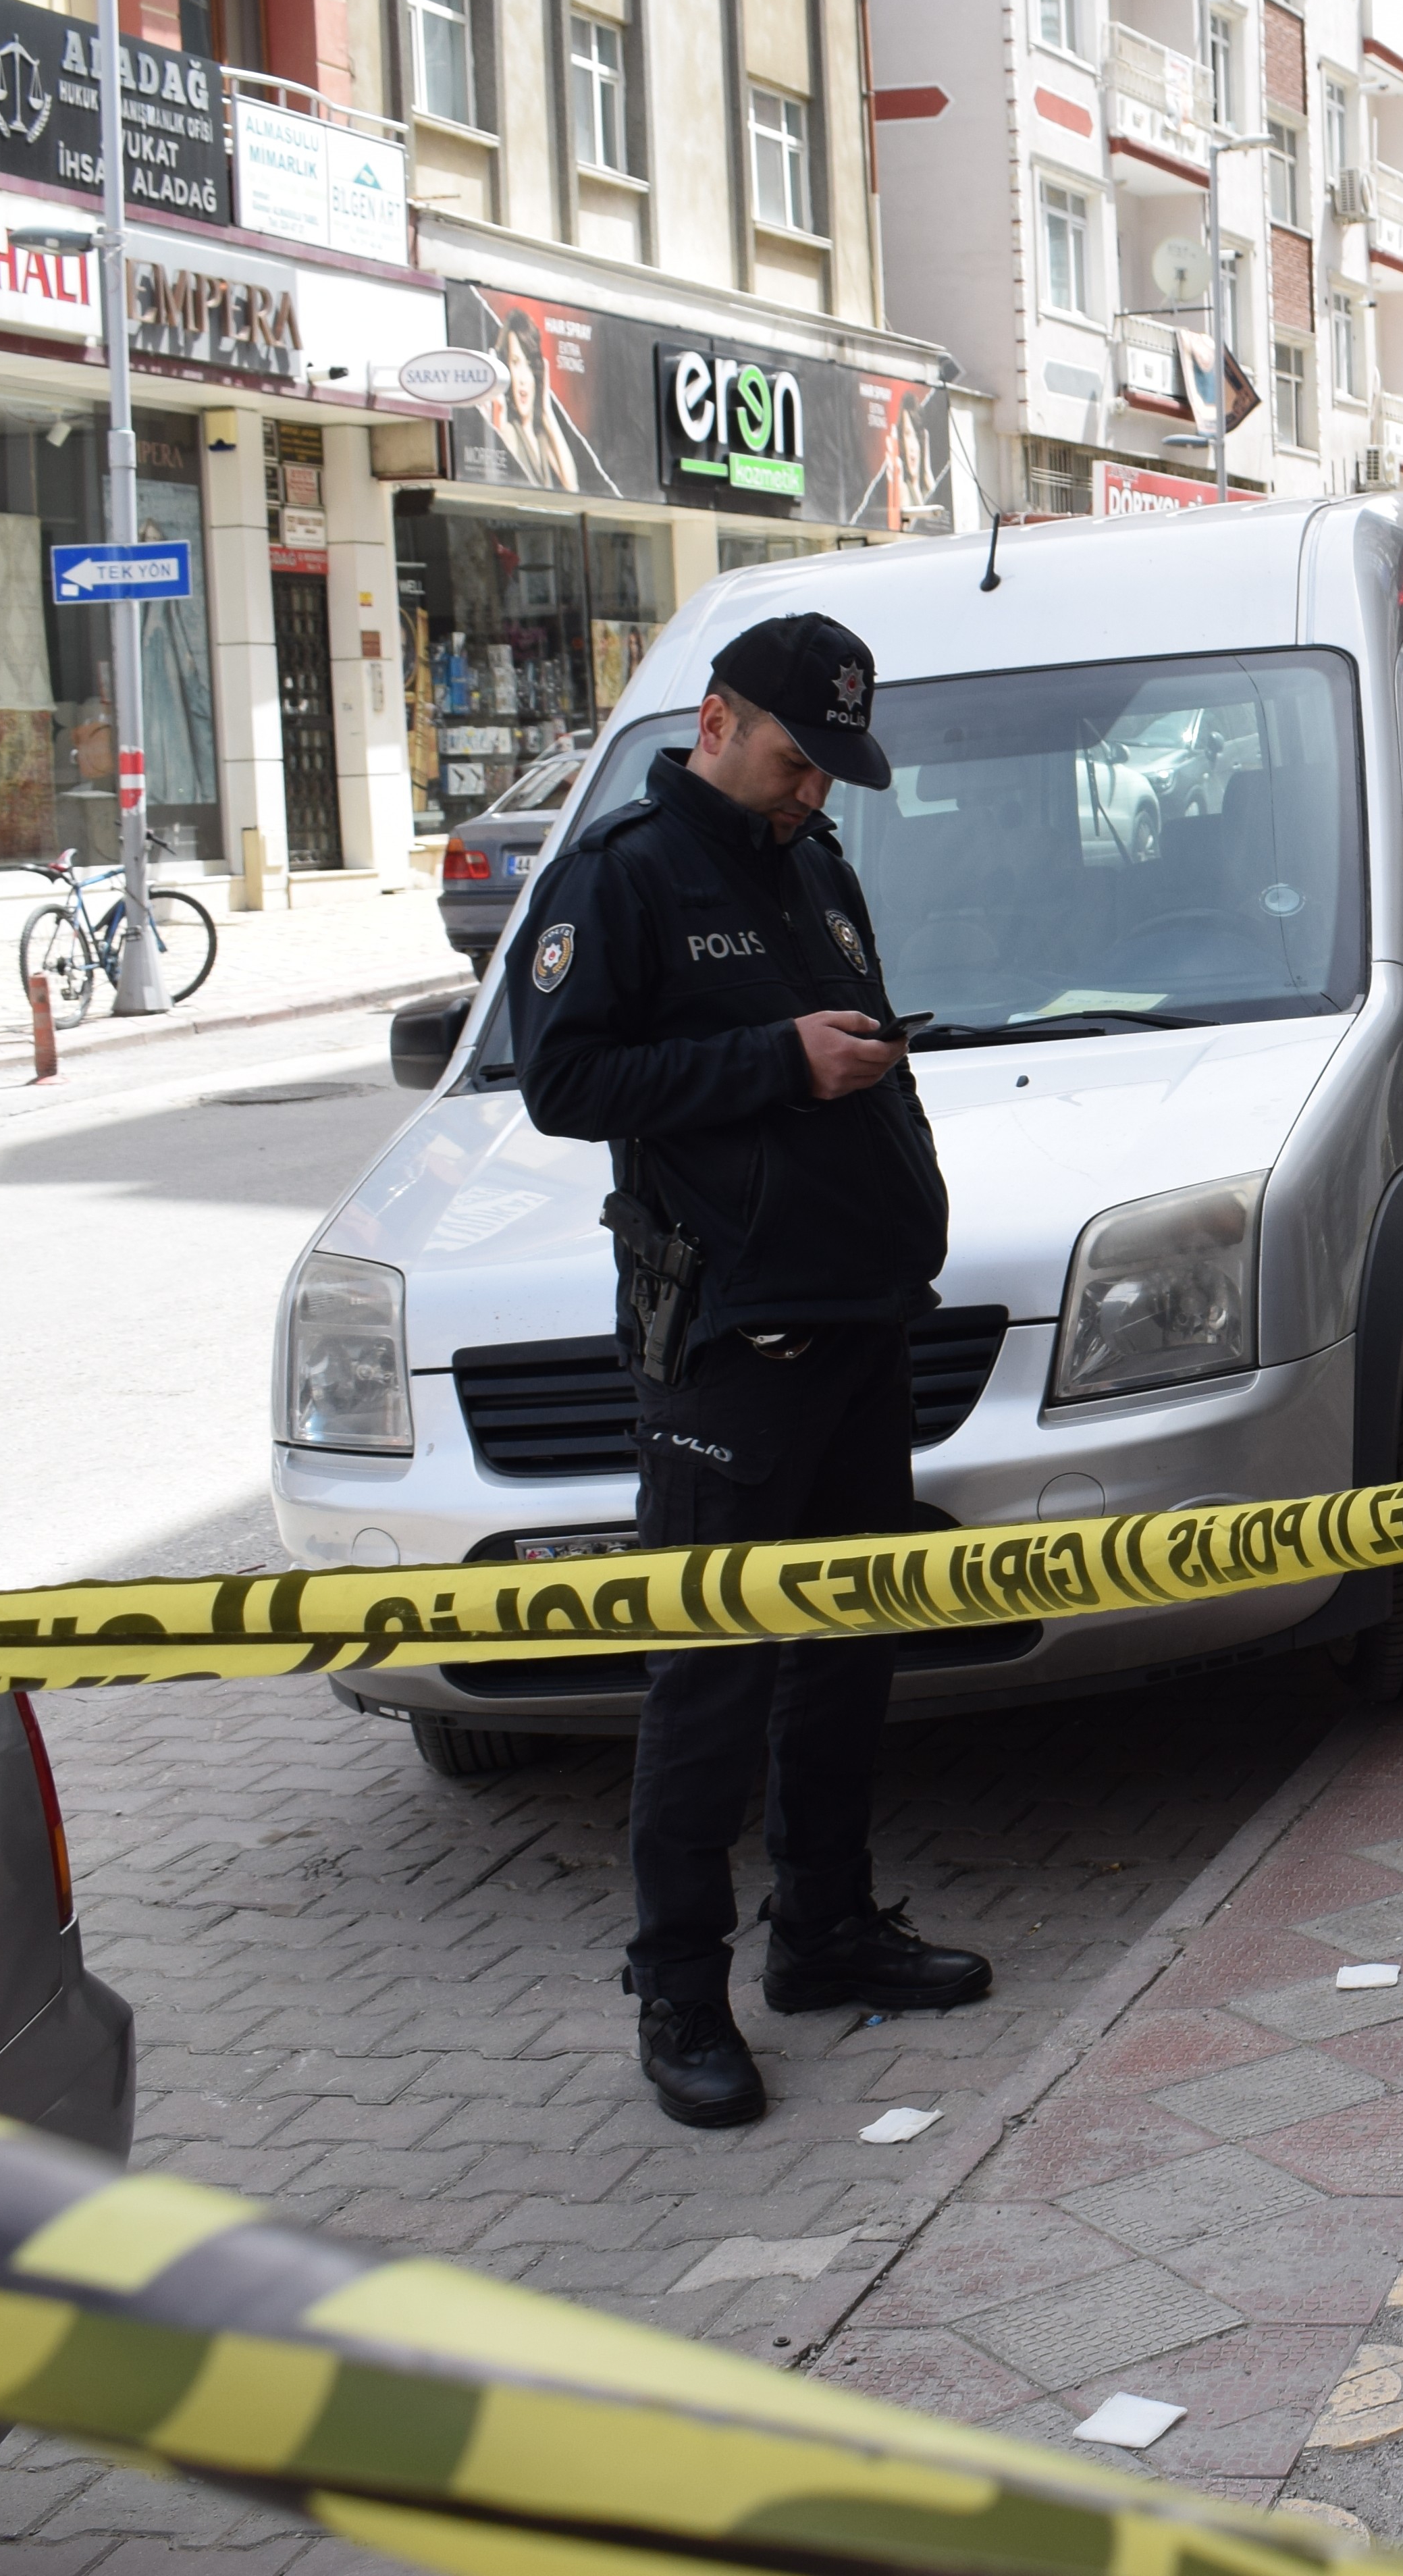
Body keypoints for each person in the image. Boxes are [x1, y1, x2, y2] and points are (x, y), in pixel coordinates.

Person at [517, 613, 990, 2129]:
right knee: (711, 1676)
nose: (814, 793)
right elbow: (565, 1082)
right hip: (730, 1346)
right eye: (798, 760)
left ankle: (827, 1926)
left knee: (851, 1643)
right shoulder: (625, 877)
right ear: (716, 721)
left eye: (833, 770)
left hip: (857, 1318)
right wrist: (780, 1062)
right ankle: (678, 1990)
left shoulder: (816, 864)